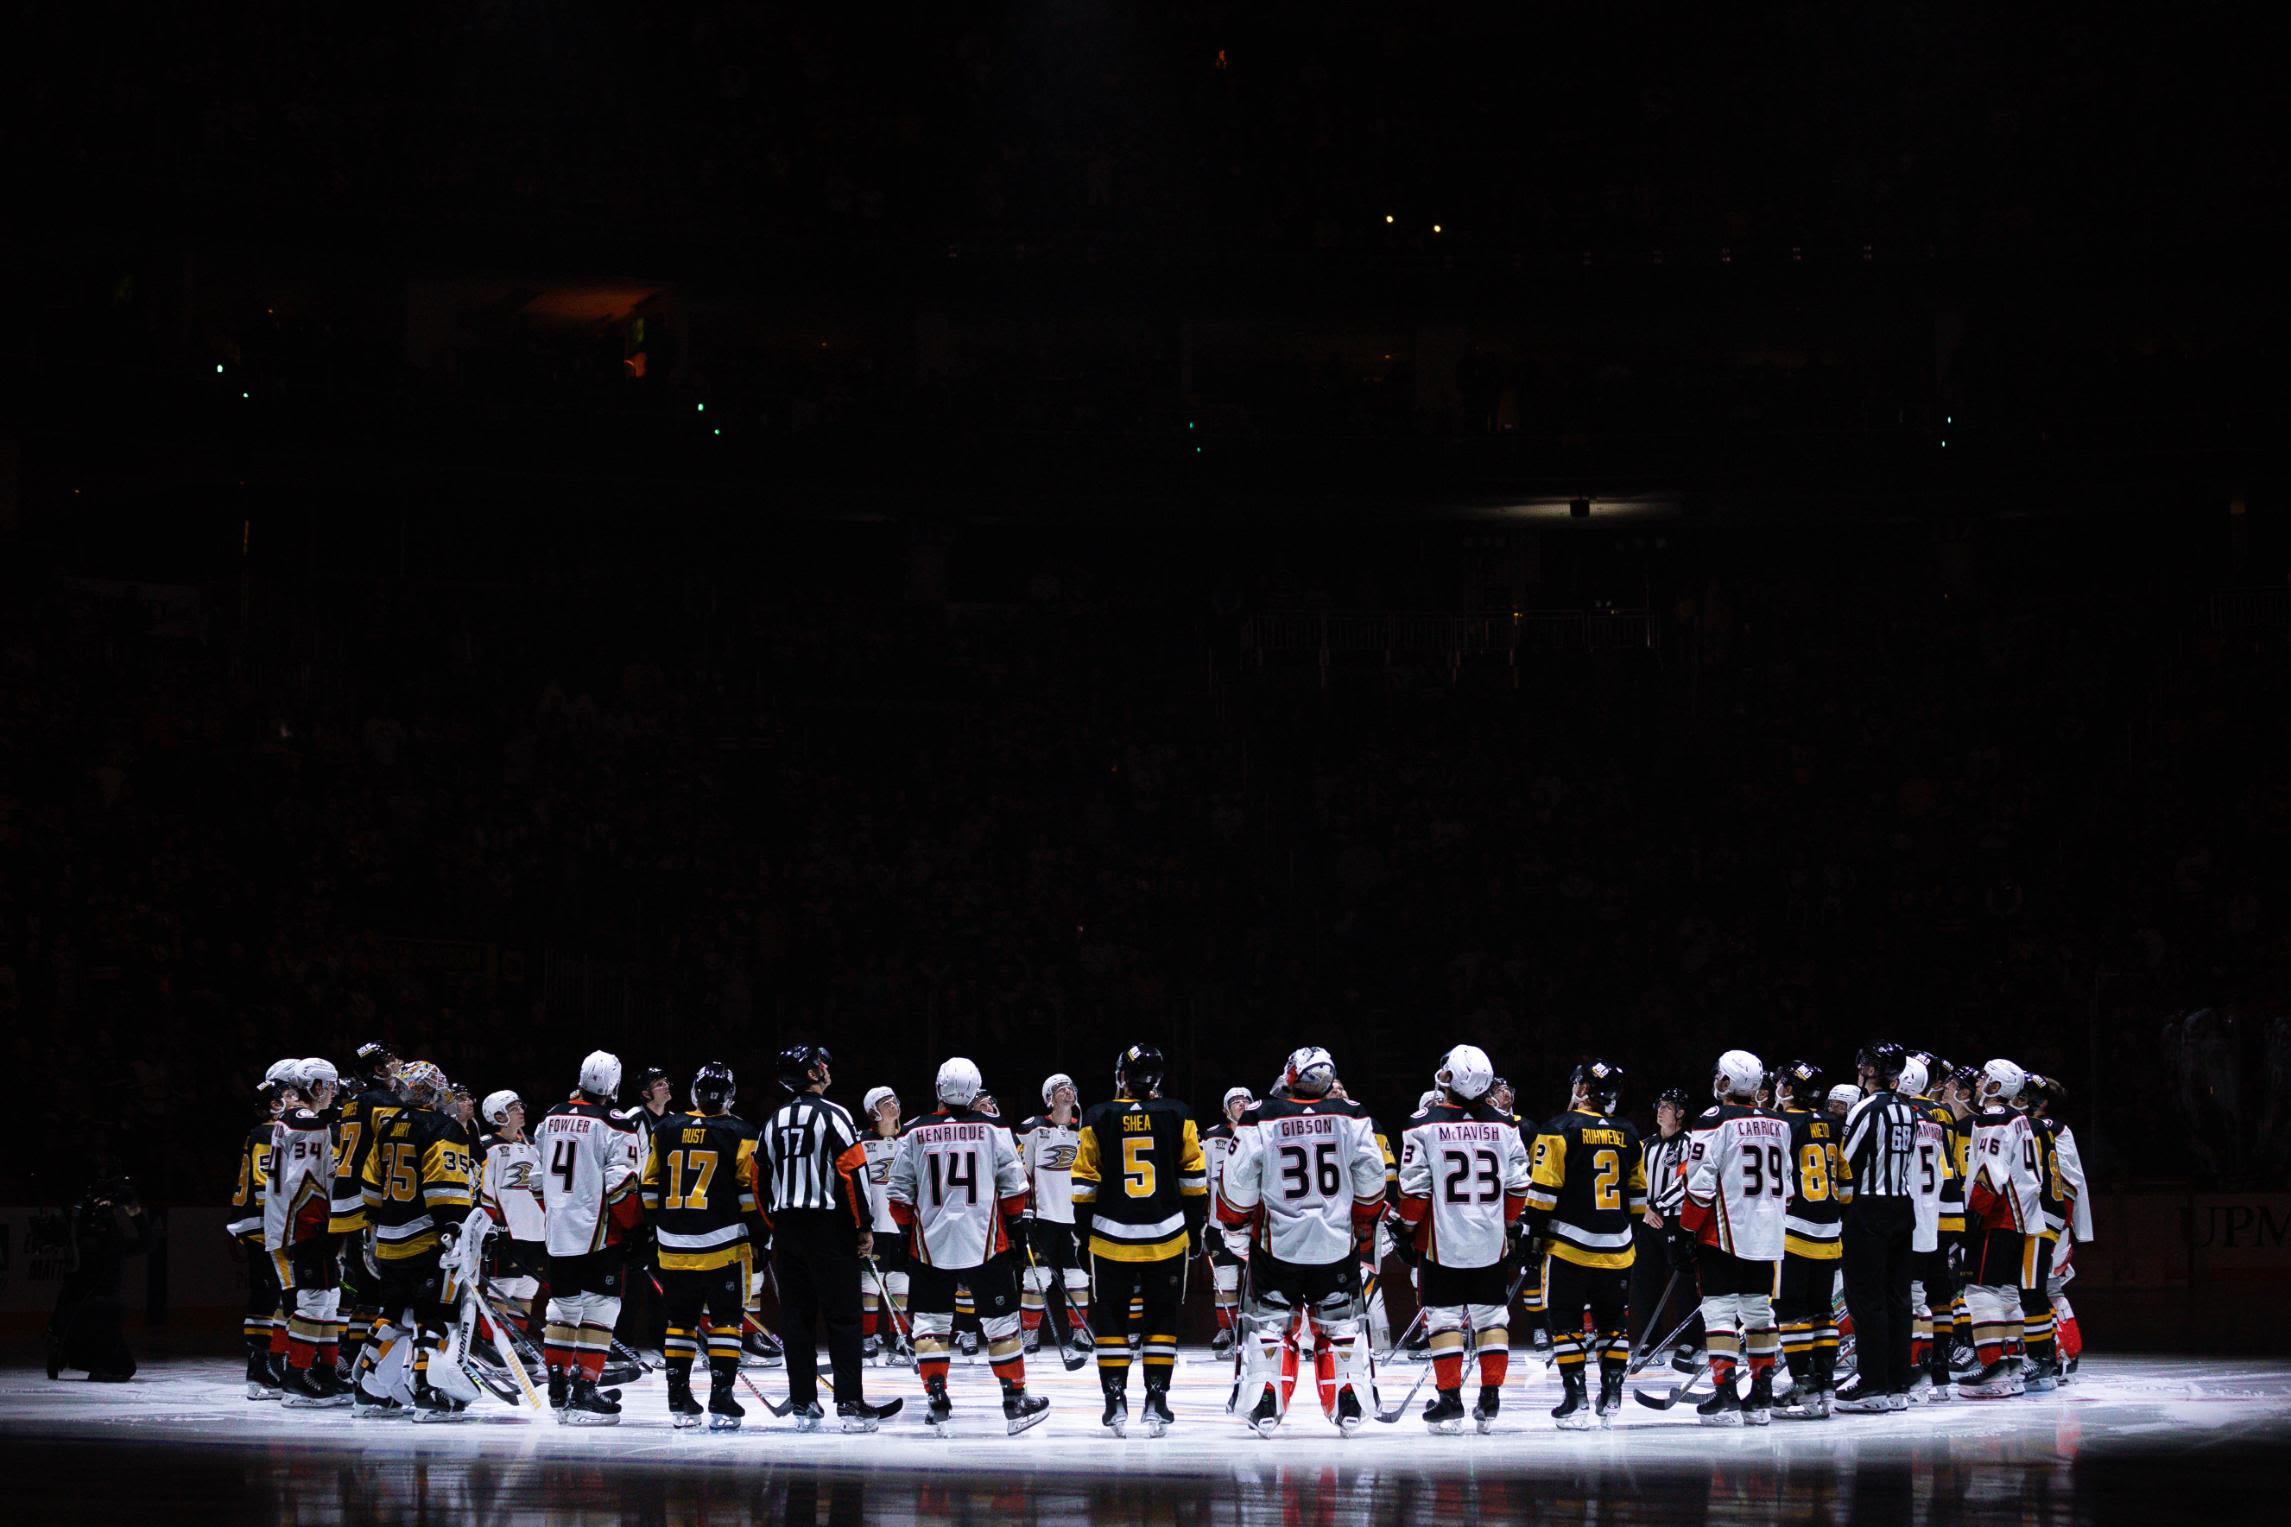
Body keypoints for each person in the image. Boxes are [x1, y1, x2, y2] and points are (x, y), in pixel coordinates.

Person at [1217, 1045, 1386, 1436]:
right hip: (1335, 1245)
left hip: (1279, 1247)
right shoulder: (1353, 1114)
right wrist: (1361, 1222)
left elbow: (1237, 1186)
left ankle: (1264, 1401)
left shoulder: (1260, 1116)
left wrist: (1235, 1224)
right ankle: (1350, 1399)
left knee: (1271, 1326)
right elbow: (1373, 1182)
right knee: (1341, 1327)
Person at [890, 1056, 1048, 1436]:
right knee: (1001, 1324)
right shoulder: (994, 1128)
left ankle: (937, 1396)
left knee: (931, 1323)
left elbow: (898, 1198)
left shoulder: (913, 1131)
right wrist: (1016, 1226)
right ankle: (1014, 1398)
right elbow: (1015, 1188)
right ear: (976, 1088)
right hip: (987, 1242)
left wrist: (910, 1231)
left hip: (929, 1245)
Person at [1071, 1043, 1209, 1437]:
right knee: (1160, 1317)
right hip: (1165, 1237)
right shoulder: (1177, 1114)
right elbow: (1194, 1179)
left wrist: (1083, 1233)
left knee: (1111, 1315)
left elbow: (1083, 1185)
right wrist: (1195, 1226)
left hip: (1111, 1237)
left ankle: (1115, 1399)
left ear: (1122, 1076)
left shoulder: (1097, 1116)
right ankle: (1156, 1400)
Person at [761, 1043, 898, 1431]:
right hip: (828, 1229)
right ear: (811, 1073)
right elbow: (853, 1175)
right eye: (821, 1064)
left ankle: (804, 1402)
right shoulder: (834, 1115)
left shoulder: (773, 1120)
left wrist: (774, 1225)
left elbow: (758, 1179)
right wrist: (863, 1226)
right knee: (844, 1317)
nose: (826, 1067)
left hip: (787, 1231)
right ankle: (850, 1403)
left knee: (796, 1318)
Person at [1395, 1044, 1532, 1434]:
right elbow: (1519, 1185)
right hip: (1490, 1241)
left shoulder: (1423, 1123)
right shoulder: (1506, 1125)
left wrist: (1406, 1228)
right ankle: (1490, 1398)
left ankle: (1450, 1399)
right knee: (1492, 1317)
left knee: (1444, 1318)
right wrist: (1504, 1225)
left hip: (1443, 1241)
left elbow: (1416, 1191)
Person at [643, 1061, 767, 1431]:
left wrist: (655, 1228)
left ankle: (678, 1397)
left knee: (680, 1322)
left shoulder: (665, 1128)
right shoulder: (741, 1131)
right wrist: (759, 1234)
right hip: (723, 1244)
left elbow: (648, 1186)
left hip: (673, 1244)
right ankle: (721, 1396)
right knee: (726, 1321)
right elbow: (748, 1192)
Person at [1524, 1058, 1646, 1431]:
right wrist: (1620, 1235)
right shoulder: (1629, 1133)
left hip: (1570, 1247)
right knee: (1613, 1323)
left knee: (1566, 1321)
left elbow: (1543, 1192)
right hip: (1619, 1247)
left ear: (1583, 1089)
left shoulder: (1559, 1128)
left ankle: (1574, 1396)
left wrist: (1531, 1234)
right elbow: (1638, 1200)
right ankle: (1612, 1392)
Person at [356, 1060, 480, 1421]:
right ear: (431, 1089)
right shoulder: (445, 1127)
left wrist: (377, 1225)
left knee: (393, 1312)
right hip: (428, 1238)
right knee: (435, 1314)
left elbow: (370, 1184)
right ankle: (428, 1390)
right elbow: (447, 1187)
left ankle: (366, 1389)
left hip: (390, 1238)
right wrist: (455, 1230)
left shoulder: (389, 1125)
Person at [1680, 1048, 1792, 1426]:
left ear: (1726, 1081)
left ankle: (1725, 1391)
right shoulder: (1779, 1122)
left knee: (1720, 1311)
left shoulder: (1714, 1120)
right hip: (1769, 1231)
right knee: (1760, 1311)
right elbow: (1788, 1189)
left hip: (1723, 1232)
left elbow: (1700, 1184)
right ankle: (1761, 1395)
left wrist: (1686, 1229)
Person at [535, 1050, 643, 1423]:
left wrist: (556, 1214)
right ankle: (585, 1388)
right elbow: (622, 1186)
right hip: (600, 1233)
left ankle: (557, 1385)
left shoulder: (550, 1117)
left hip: (558, 1232)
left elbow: (536, 1180)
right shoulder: (615, 1122)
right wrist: (635, 1227)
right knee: (600, 1307)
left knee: (562, 1307)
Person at [1835, 1042, 1920, 1414]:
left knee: (1867, 1300)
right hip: (1903, 1206)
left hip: (1868, 1210)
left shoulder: (1865, 1109)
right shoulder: (1910, 1110)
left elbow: (1845, 1162)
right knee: (1898, 1299)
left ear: (1871, 1070)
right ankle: (1899, 1380)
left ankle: (1873, 1384)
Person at [1960, 1059, 2046, 1398]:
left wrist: (1973, 1215)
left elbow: (1989, 1173)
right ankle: (2011, 1364)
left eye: (1985, 1078)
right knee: (2008, 1293)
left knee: (1979, 1291)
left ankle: (1993, 1367)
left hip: (1998, 1216)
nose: (1980, 1082)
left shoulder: (1993, 1119)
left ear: (1996, 1086)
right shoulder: (2021, 1119)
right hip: (2021, 1218)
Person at [268, 1057, 350, 1406]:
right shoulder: (303, 1120)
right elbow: (304, 1182)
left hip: (305, 1222)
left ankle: (326, 1373)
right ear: (315, 1086)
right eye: (328, 1085)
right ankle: (297, 1377)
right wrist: (320, 1225)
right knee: (315, 1298)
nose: (332, 1092)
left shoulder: (297, 1120)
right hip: (306, 1224)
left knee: (329, 1299)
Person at [1770, 1059, 1845, 1419]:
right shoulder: (1831, 1123)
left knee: (1790, 1310)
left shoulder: (1783, 1123)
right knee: (1822, 1310)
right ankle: (1825, 1384)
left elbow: (1778, 1177)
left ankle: (1802, 1383)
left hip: (1794, 1230)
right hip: (1829, 1230)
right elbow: (1844, 1181)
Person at [329, 1042, 402, 1381]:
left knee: (361, 1289)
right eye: (390, 1060)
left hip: (345, 1203)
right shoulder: (384, 1102)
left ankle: (351, 1358)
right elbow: (391, 1152)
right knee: (378, 1289)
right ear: (377, 1070)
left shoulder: (352, 1103)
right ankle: (357, 1360)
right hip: (369, 1203)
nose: (398, 1063)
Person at [46, 1171, 149, 1382]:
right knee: (123, 1363)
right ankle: (88, 1356)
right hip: (92, 1309)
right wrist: (134, 1211)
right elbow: (146, 1241)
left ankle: (67, 1349)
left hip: (77, 1312)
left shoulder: (80, 1239)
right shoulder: (103, 1243)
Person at [1015, 1074, 1091, 1354]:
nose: (1068, 1092)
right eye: (1061, 1089)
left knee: (1079, 1276)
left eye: (1071, 1087)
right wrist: (1025, 1206)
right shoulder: (1034, 1128)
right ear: (1049, 1096)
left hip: (1075, 1217)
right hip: (1044, 1216)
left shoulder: (1084, 1131)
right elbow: (1023, 1170)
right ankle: (1030, 1334)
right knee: (1037, 1276)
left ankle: (1080, 1332)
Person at [231, 1060, 293, 1399]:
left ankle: (270, 1367)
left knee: (274, 1298)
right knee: (267, 1298)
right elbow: (263, 1184)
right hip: (267, 1227)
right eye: (286, 1094)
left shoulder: (269, 1131)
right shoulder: (268, 1133)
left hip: (267, 1225)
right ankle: (261, 1370)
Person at [1899, 1054, 1959, 1402]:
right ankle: (1939, 1368)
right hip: (1946, 1206)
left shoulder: (1905, 1114)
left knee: (1915, 1291)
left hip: (1918, 1210)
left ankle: (1916, 1367)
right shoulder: (1944, 1113)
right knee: (1941, 1294)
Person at [2025, 1075, 2093, 1378]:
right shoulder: (2048, 1129)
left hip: (2052, 1219)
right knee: (2041, 1286)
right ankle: (2059, 1352)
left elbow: (2067, 1183)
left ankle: (2065, 1352)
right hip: (2045, 1218)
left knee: (2047, 1286)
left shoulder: (2050, 1129)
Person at [1636, 1086, 1697, 1366]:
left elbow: (1686, 1180)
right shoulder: (1645, 1144)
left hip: (1675, 1220)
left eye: (1668, 1106)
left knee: (1683, 1284)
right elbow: (1634, 1180)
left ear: (1680, 1113)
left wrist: (1657, 1206)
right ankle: (1650, 1339)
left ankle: (1689, 1341)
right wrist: (1644, 1209)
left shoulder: (1689, 1143)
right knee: (1646, 1283)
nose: (1660, 1110)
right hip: (1648, 1220)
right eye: (1659, 1105)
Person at [478, 1090, 546, 1339]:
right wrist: (491, 1226)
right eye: (513, 1107)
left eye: (520, 1105)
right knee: (502, 1288)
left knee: (527, 1288)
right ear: (498, 1115)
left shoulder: (533, 1145)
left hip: (536, 1231)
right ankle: (494, 1345)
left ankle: (517, 1343)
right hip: (506, 1231)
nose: (520, 1110)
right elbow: (484, 1191)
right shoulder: (487, 1146)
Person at [856, 1085, 911, 1363]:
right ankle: (866, 1339)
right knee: (870, 1283)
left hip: (901, 1225)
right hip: (874, 1225)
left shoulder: (908, 1141)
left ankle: (898, 1341)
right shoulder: (860, 1144)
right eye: (885, 1102)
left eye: (894, 1099)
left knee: (901, 1281)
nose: (893, 1105)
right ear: (873, 1112)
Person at [1200, 1086, 1255, 1354]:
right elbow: (1201, 1181)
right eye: (1236, 1101)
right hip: (1218, 1223)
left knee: (1254, 1279)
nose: (1241, 1104)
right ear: (1226, 1109)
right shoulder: (1211, 1137)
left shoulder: (1260, 1134)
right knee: (1224, 1279)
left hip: (1253, 1222)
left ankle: (1253, 1330)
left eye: (1246, 1100)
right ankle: (1228, 1328)